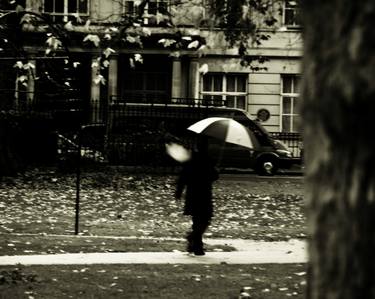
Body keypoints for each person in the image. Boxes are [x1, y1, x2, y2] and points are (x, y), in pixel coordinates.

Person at [175, 138, 219, 255]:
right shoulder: (209, 160)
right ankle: (195, 241)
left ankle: (195, 244)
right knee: (205, 219)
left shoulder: (191, 159)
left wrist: (179, 191)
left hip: (193, 193)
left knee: (197, 220)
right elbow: (214, 177)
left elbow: (183, 177)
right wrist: (216, 170)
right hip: (204, 194)